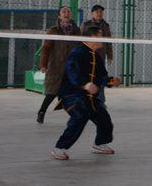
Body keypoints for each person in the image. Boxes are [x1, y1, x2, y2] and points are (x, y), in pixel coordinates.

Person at [51, 26, 121, 160]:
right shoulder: (77, 52)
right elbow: (72, 71)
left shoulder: (97, 57)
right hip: (72, 96)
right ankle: (59, 148)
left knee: (103, 118)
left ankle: (99, 144)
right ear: (90, 38)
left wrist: (112, 81)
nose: (102, 38)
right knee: (80, 116)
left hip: (90, 98)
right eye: (99, 35)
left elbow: (102, 77)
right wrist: (85, 84)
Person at [36, 6, 80, 124]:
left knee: (72, 92)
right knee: (52, 92)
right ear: (59, 16)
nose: (66, 13)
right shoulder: (53, 30)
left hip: (71, 67)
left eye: (68, 11)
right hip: (56, 66)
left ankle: (77, 115)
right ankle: (42, 111)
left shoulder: (76, 30)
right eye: (64, 11)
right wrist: (43, 65)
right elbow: (45, 49)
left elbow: (81, 48)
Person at [81, 4, 113, 102]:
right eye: (97, 11)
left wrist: (110, 55)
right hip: (87, 56)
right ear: (92, 13)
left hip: (100, 56)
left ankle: (100, 100)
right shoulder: (85, 25)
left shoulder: (106, 26)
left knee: (100, 77)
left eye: (101, 12)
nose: (99, 13)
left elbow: (108, 42)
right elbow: (80, 40)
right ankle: (85, 100)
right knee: (87, 77)